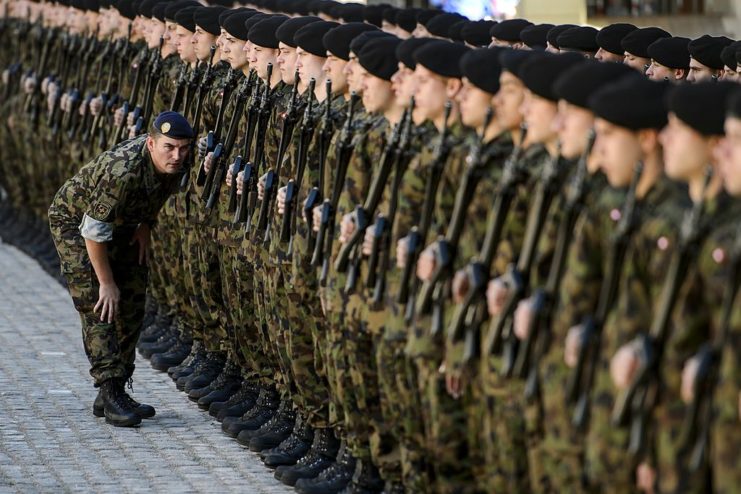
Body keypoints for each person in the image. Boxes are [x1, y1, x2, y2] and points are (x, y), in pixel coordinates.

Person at [48, 111, 194, 427]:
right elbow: (93, 230)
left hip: (123, 224)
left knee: (132, 300)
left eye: (183, 148)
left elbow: (156, 194)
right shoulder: (122, 172)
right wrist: (105, 281)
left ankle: (117, 389)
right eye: (169, 147)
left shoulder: (178, 160)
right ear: (151, 143)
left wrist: (146, 224)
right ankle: (109, 389)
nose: (177, 155)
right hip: (77, 226)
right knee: (100, 305)